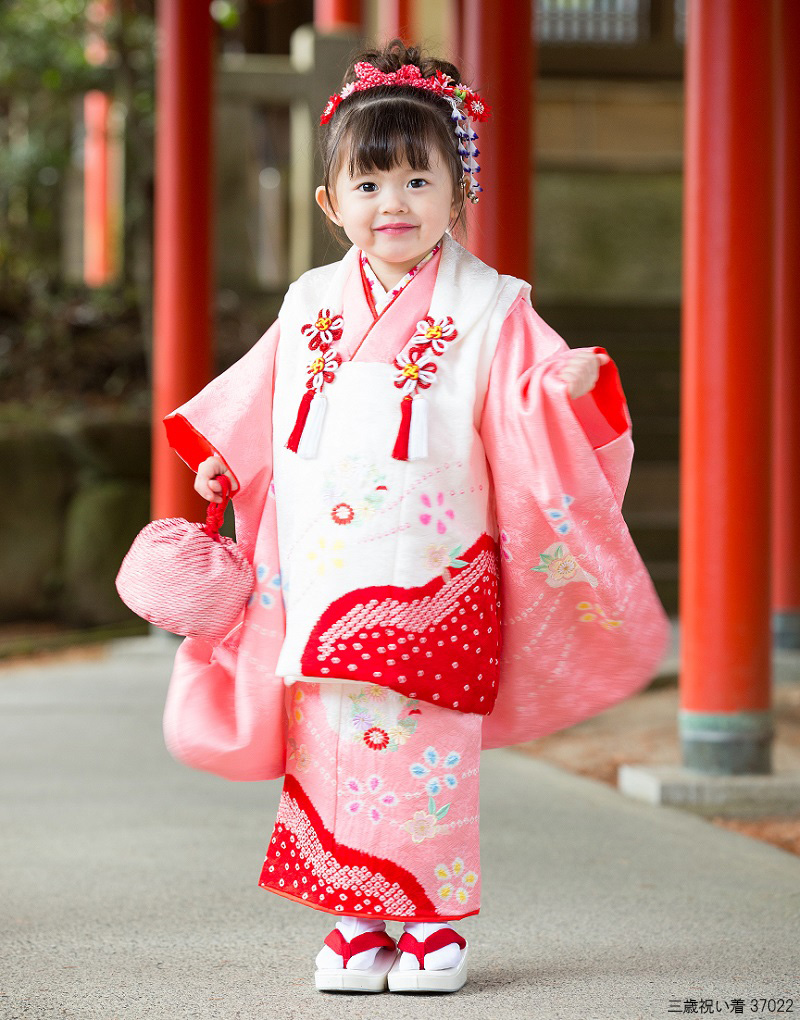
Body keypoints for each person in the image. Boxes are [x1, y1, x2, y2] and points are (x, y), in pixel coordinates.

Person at [162, 41, 669, 995]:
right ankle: (354, 918)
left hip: (434, 571)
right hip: (321, 570)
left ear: (455, 193)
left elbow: (528, 405)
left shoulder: (493, 305)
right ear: (331, 203)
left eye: (417, 178)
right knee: (329, 741)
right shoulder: (310, 301)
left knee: (425, 749)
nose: (392, 202)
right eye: (368, 180)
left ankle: (431, 923)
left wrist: (563, 392)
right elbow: (259, 397)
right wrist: (225, 461)